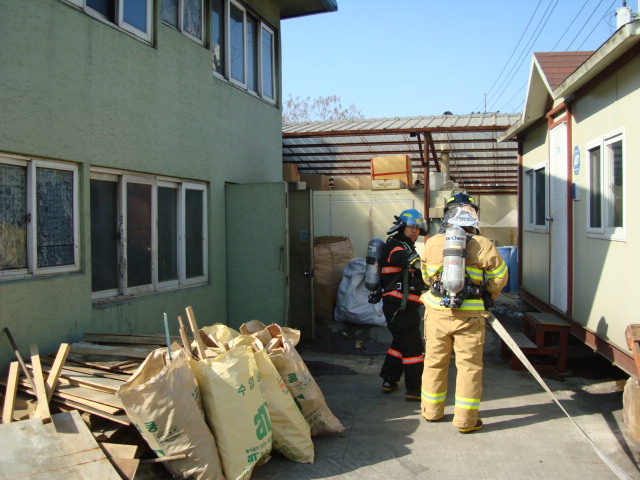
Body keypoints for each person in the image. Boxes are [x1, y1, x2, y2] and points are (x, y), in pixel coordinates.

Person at [419, 192, 508, 432]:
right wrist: (488, 295)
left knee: (434, 362)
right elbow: (500, 276)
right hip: (470, 317)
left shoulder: (433, 243)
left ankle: (431, 412)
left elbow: (425, 275)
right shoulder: (484, 244)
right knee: (469, 367)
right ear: (473, 215)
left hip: (437, 313)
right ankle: (466, 421)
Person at [379, 208, 427, 402]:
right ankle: (414, 390)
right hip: (398, 307)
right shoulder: (395, 245)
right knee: (413, 347)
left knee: (400, 343)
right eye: (411, 227)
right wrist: (419, 263)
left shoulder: (407, 246)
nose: (414, 231)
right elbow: (403, 259)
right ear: (402, 227)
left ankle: (389, 380)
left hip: (406, 306)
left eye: (417, 228)